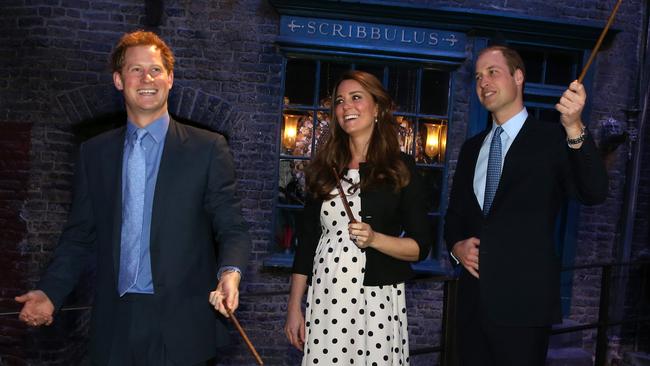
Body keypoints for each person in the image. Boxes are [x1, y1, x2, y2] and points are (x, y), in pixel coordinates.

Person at [14, 30, 251, 366]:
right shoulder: (94, 153)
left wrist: (230, 273)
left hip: (182, 325)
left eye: (155, 69)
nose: (146, 78)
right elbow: (79, 236)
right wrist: (50, 292)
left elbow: (232, 227)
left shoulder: (208, 148)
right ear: (118, 80)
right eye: (135, 70)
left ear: (170, 78)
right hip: (114, 325)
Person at [444, 45, 608, 366]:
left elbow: (594, 191)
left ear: (518, 77)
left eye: (493, 72)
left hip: (524, 307)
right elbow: (454, 216)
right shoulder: (471, 148)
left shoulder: (552, 139)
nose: (484, 82)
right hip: (470, 307)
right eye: (478, 76)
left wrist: (574, 127)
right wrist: (456, 247)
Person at [284, 70, 432, 366]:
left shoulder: (400, 167)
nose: (346, 106)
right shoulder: (324, 167)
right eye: (339, 101)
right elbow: (307, 243)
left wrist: (375, 239)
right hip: (326, 295)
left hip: (376, 298)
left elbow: (420, 247)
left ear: (377, 108)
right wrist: (294, 306)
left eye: (356, 98)